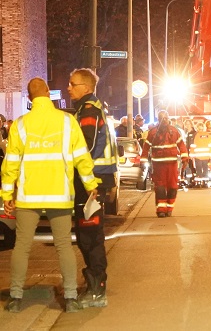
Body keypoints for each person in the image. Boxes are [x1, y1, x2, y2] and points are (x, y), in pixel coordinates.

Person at [1, 78, 100, 314]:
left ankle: (15, 296)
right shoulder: (67, 121)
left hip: (29, 196)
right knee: (64, 246)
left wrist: (7, 194)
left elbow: (11, 162)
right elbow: (81, 157)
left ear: (29, 97)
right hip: (60, 194)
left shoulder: (20, 125)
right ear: (48, 93)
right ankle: (71, 297)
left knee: (22, 246)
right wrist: (90, 184)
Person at [67, 68, 119, 309]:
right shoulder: (91, 109)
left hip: (92, 184)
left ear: (86, 88)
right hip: (95, 182)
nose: (69, 87)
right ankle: (94, 285)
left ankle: (97, 289)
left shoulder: (88, 112)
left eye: (73, 84)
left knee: (90, 238)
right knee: (88, 236)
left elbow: (83, 149)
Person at [142, 110, 188, 217]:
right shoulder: (153, 132)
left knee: (172, 186)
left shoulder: (174, 131)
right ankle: (161, 209)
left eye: (166, 118)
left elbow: (181, 145)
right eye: (163, 118)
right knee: (160, 187)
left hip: (171, 164)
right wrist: (143, 161)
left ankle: (169, 208)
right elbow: (146, 147)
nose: (165, 120)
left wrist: (185, 158)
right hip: (158, 165)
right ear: (159, 119)